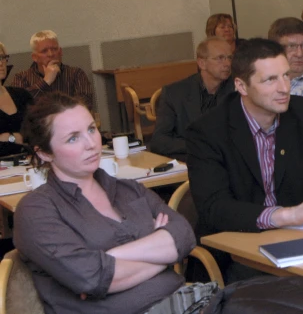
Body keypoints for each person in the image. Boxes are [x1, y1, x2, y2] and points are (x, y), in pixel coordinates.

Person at [185, 39, 303, 279]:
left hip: (299, 244)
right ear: (241, 85)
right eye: (270, 80)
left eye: (286, 76)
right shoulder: (208, 130)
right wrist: (286, 215)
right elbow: (215, 208)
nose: (284, 88)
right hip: (236, 254)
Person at [14, 93, 207, 314]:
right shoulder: (36, 211)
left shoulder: (127, 189)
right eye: (73, 138)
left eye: (91, 129)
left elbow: (183, 235)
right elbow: (92, 278)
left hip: (188, 301)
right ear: (45, 153)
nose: (91, 144)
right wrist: (162, 253)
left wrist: (109, 258)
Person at [148, 37, 235, 162]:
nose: (227, 64)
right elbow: (159, 141)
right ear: (202, 63)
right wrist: (198, 145)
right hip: (191, 162)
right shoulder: (175, 93)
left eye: (230, 58)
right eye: (220, 58)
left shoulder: (238, 89)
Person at [11, 30, 94, 110]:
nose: (51, 54)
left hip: (68, 122)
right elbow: (20, 105)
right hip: (36, 123)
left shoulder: (76, 74)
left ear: (60, 52)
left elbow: (84, 104)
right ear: (34, 57)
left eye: (54, 49)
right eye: (44, 51)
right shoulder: (21, 77)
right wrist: (46, 81)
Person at [0, 42, 31, 157]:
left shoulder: (22, 95)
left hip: (28, 162)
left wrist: (8, 137)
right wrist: (15, 138)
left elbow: (37, 132)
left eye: (2, 58)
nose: (1, 63)